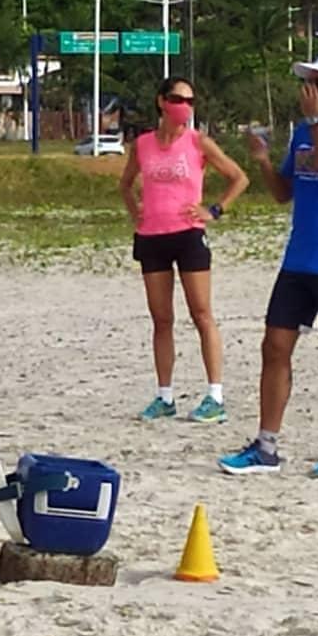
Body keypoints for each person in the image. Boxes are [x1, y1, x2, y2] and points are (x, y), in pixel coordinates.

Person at [219, 52, 318, 480]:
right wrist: (265, 162)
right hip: (300, 257)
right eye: (308, 82)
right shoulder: (304, 135)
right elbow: (283, 193)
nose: (311, 90)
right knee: (274, 345)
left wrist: (316, 124)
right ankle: (266, 445)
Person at [119, 76, 249, 425]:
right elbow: (125, 184)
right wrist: (136, 213)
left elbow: (239, 177)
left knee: (202, 314)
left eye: (191, 101)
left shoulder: (198, 142)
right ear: (162, 101)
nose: (185, 107)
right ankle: (165, 396)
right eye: (179, 99)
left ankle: (215, 395)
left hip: (189, 234)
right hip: (152, 236)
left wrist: (215, 210)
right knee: (162, 319)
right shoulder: (143, 144)